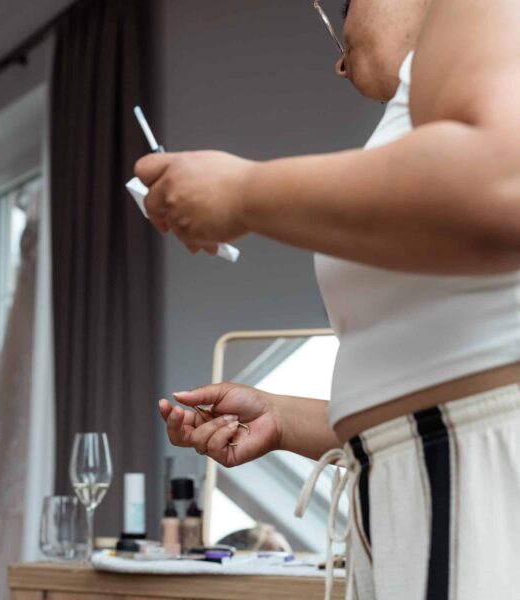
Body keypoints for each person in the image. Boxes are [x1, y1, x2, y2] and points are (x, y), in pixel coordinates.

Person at [138, 0, 520, 598]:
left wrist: (242, 193)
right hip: (418, 493)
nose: (339, 64)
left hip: (481, 490)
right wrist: (284, 419)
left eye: (340, 9)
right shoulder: (431, 100)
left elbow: (500, 186)